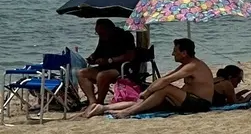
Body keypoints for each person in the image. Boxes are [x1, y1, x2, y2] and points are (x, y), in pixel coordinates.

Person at [81, 37, 215, 117]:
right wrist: (148, 92)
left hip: (200, 104)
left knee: (164, 88)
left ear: (184, 53)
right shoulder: (186, 64)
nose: (172, 54)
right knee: (149, 99)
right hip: (186, 101)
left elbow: (166, 81)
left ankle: (128, 112)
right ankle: (104, 108)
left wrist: (148, 91)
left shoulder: (193, 66)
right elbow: (167, 76)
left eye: (175, 51)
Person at [76, 18, 138, 106]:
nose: (99, 35)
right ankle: (92, 101)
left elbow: (129, 56)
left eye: (101, 33)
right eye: (97, 33)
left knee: (102, 76)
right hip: (105, 67)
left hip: (122, 68)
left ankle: (100, 102)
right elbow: (98, 52)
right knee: (81, 73)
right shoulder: (103, 38)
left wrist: (109, 60)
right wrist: (92, 58)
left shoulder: (125, 36)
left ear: (109, 29)